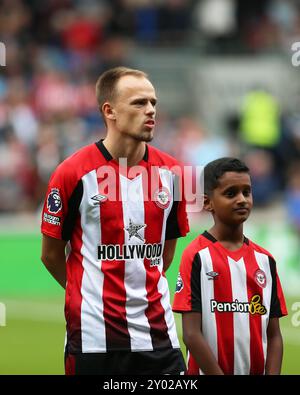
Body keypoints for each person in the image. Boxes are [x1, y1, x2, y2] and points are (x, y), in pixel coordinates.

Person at [40, 66, 189, 375]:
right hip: (94, 339)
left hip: (159, 338)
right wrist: (88, 294)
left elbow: (166, 253)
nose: (150, 110)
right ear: (110, 111)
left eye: (153, 102)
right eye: (138, 103)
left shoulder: (173, 174)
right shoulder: (73, 173)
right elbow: (50, 253)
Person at [173, 157, 287, 375]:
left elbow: (274, 335)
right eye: (231, 193)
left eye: (247, 192)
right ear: (207, 202)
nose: (242, 199)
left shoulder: (265, 260)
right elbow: (191, 334)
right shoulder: (196, 256)